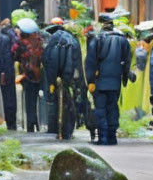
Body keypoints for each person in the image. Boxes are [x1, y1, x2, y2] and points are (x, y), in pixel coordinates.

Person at [84, 13, 132, 145]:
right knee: (113, 108)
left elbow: (90, 62)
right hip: (115, 81)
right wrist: (124, 78)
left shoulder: (97, 39)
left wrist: (91, 81)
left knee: (100, 109)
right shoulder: (122, 40)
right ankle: (113, 137)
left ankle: (103, 137)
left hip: (100, 81)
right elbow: (127, 61)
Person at [44, 18, 85, 140]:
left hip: (57, 77)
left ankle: (55, 129)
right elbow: (78, 62)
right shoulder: (73, 41)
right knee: (69, 102)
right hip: (70, 76)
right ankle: (68, 131)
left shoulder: (52, 42)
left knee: (55, 102)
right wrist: (79, 81)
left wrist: (51, 80)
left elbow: (48, 61)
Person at [12, 17, 47, 133]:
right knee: (39, 101)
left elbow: (14, 55)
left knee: (29, 103)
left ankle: (31, 126)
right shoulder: (40, 41)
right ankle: (39, 123)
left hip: (27, 76)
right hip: (40, 75)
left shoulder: (21, 44)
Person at [0, 19, 18, 130]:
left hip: (5, 71)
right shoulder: (12, 36)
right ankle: (12, 122)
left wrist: (2, 74)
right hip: (11, 70)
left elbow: (2, 57)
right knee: (12, 97)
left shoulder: (2, 38)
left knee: (7, 98)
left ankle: (11, 124)